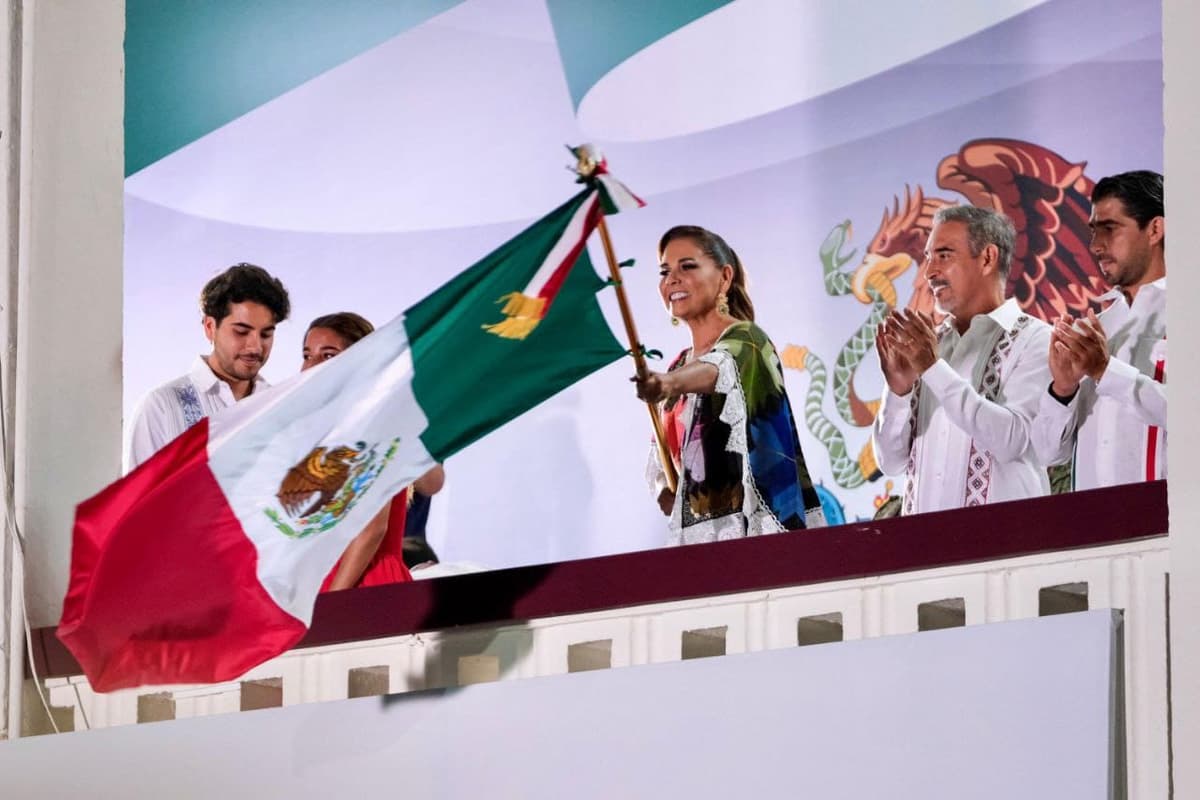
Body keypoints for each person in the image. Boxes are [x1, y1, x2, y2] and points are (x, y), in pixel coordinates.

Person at [634, 225, 825, 546]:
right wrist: (666, 491)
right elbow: (666, 459)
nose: (672, 279)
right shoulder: (678, 364)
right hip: (702, 543)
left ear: (724, 277)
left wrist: (668, 384)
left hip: (760, 538)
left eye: (687, 266)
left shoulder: (749, 340)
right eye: (665, 271)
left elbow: (720, 367)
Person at [871, 205, 1053, 513]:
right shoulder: (929, 346)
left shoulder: (1037, 339)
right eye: (928, 257)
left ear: (987, 258)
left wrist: (932, 369)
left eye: (943, 255)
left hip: (1006, 548)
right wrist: (899, 392)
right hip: (927, 553)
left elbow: (1012, 441)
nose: (929, 272)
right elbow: (890, 462)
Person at [1031, 171, 1166, 489]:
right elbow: (1048, 452)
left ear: (1155, 229)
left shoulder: (1188, 312)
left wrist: (1105, 371)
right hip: (1093, 528)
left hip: (1175, 526)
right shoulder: (1098, 328)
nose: (1095, 246)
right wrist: (1062, 390)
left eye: (1109, 229)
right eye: (1093, 231)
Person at [302, 312, 444, 591]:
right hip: (331, 581)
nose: (311, 366)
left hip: (361, 583)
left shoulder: (371, 425)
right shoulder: (328, 432)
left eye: (328, 355)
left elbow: (371, 530)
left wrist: (333, 600)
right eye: (307, 355)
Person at [126, 263, 290, 471]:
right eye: (241, 331)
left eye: (266, 334)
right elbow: (141, 501)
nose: (255, 346)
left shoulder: (281, 407)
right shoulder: (162, 408)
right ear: (210, 327)